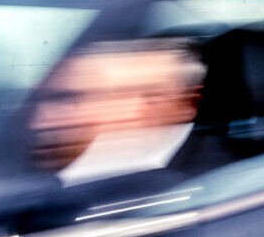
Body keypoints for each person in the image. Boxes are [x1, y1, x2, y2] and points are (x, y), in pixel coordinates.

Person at [27, 39, 208, 185]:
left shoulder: (206, 177)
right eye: (115, 93)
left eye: (152, 95)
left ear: (188, 103)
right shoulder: (71, 150)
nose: (128, 110)